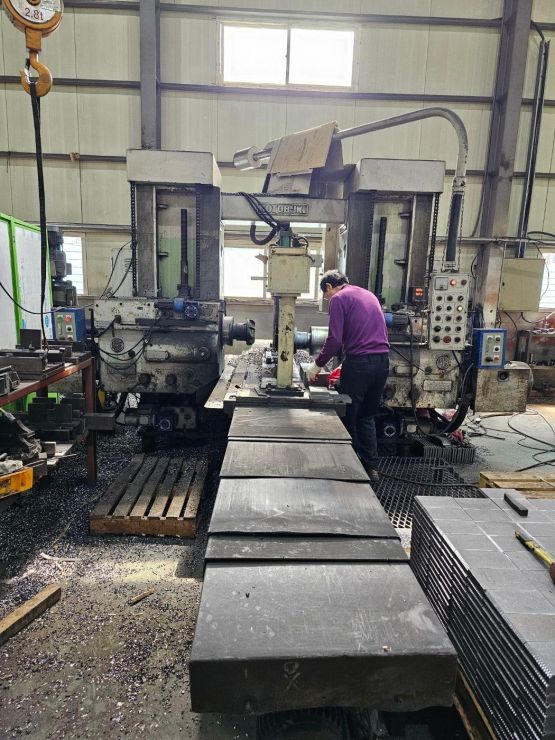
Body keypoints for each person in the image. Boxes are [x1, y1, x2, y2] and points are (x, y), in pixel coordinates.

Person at [306, 270, 390, 477]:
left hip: (360, 363)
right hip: (382, 363)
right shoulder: (368, 295)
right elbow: (367, 335)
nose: (328, 300)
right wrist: (347, 364)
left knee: (348, 414)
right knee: (366, 416)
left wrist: (317, 365)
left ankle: (347, 468)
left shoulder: (338, 299)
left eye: (326, 296)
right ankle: (371, 467)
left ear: (328, 287)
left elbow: (334, 339)